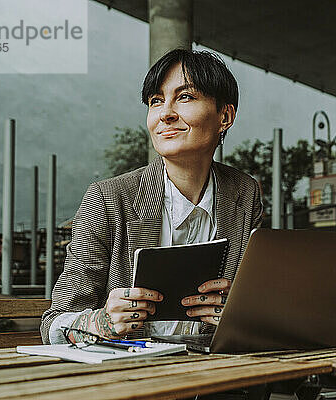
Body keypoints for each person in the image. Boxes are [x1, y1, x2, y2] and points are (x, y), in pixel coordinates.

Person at [40, 49, 263, 344]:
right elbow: (54, 323)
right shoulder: (108, 199)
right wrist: (101, 322)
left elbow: (260, 306)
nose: (166, 113)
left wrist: (238, 312)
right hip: (132, 379)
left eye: (185, 97)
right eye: (156, 101)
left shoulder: (244, 194)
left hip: (216, 377)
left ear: (225, 116)